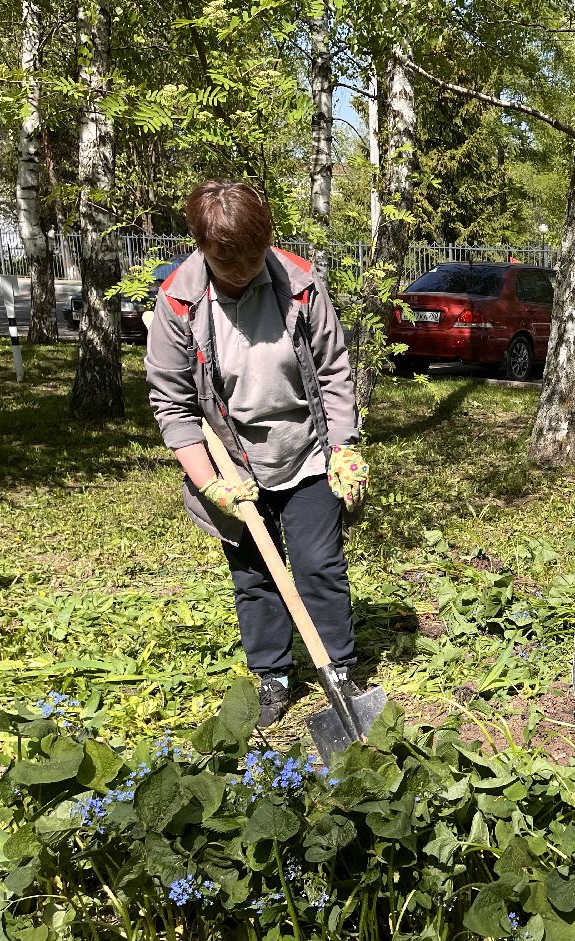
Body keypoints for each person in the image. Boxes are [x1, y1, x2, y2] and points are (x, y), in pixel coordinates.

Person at [145, 180, 368, 729]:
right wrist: (208, 481)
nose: (243, 269)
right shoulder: (178, 300)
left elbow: (335, 371)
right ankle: (273, 674)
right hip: (231, 461)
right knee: (254, 575)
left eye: (253, 256)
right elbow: (172, 406)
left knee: (320, 564)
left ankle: (337, 668)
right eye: (228, 259)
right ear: (201, 245)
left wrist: (343, 446)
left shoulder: (300, 284)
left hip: (307, 450)